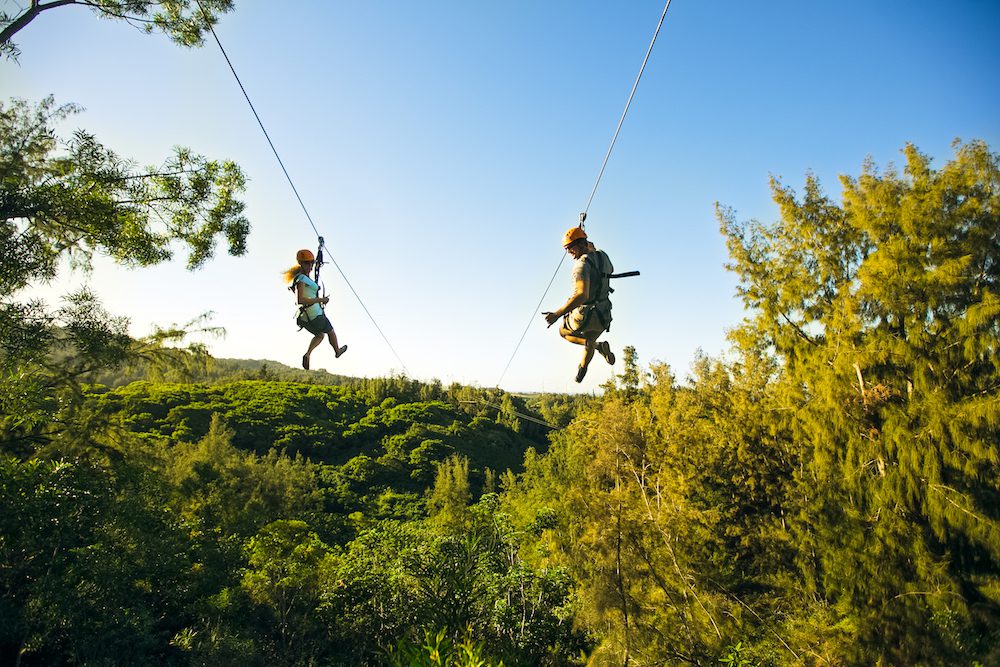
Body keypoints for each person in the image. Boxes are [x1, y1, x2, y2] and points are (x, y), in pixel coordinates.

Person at [543, 227, 616, 382]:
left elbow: (582, 295)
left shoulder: (580, 266)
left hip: (584, 316)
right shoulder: (604, 256)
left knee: (564, 332)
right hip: (603, 315)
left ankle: (595, 345)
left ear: (579, 245)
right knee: (591, 337)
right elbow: (608, 266)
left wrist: (557, 314)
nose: (569, 253)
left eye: (570, 248)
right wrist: (588, 246)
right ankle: (583, 368)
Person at [284, 248, 347, 369]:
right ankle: (337, 351)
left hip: (305, 317)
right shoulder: (301, 279)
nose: (310, 266)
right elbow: (300, 300)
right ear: (301, 263)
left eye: (311, 263)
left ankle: (307, 355)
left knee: (320, 335)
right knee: (331, 332)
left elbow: (303, 295)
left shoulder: (303, 278)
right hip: (315, 315)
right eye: (307, 263)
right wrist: (321, 300)